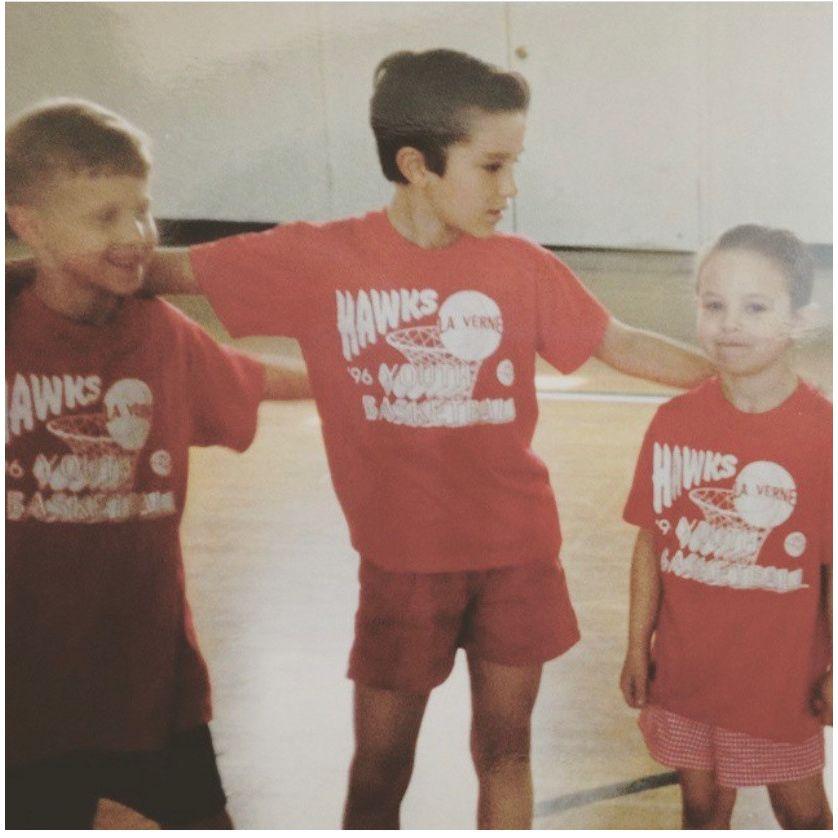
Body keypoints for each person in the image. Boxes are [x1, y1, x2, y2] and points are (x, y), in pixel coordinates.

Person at [137, 49, 713, 828]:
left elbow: (619, 341)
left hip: (518, 555)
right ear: (416, 164)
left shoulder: (521, 266)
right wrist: (31, 272)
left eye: (514, 165)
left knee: (506, 753)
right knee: (380, 767)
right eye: (492, 166)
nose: (510, 189)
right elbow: (153, 269)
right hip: (402, 569)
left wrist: (737, 382)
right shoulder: (317, 259)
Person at [5, 98, 310, 829]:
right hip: (26, 689)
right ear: (29, 226)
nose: (134, 234)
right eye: (104, 217)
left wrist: (354, 379)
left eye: (141, 211)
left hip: (149, 683)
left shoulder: (159, 333)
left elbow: (253, 379)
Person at [619, 224, 832, 829]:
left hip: (780, 682)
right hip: (687, 674)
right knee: (702, 808)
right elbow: (651, 542)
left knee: (802, 813)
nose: (730, 324)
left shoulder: (824, 434)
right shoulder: (673, 422)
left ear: (799, 320)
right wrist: (636, 645)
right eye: (714, 305)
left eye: (755, 307)